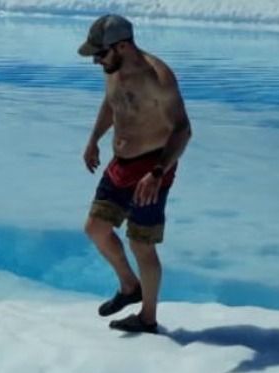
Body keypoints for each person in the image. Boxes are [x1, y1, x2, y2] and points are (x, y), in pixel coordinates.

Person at [80, 14, 192, 334]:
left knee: (141, 244)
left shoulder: (158, 77)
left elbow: (183, 130)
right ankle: (130, 286)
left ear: (124, 45)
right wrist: (93, 140)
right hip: (121, 163)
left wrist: (157, 172)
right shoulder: (112, 69)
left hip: (152, 168)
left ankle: (148, 318)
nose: (97, 61)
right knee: (96, 228)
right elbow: (112, 104)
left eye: (101, 53)